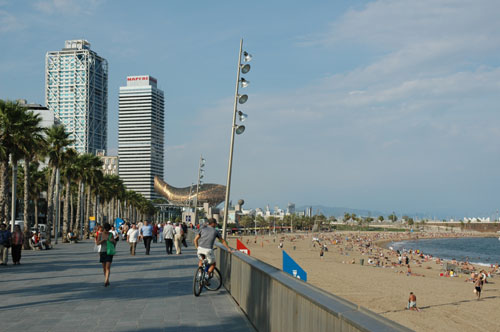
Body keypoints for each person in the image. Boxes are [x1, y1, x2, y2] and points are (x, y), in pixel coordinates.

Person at [95, 222, 116, 287]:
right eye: (105, 229)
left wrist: (112, 240)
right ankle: (107, 279)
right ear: (103, 229)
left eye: (108, 230)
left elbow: (114, 243)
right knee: (104, 268)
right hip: (102, 252)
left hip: (109, 252)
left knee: (107, 267)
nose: (106, 231)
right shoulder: (100, 235)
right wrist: (103, 240)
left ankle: (106, 280)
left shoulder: (111, 234)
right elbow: (97, 243)